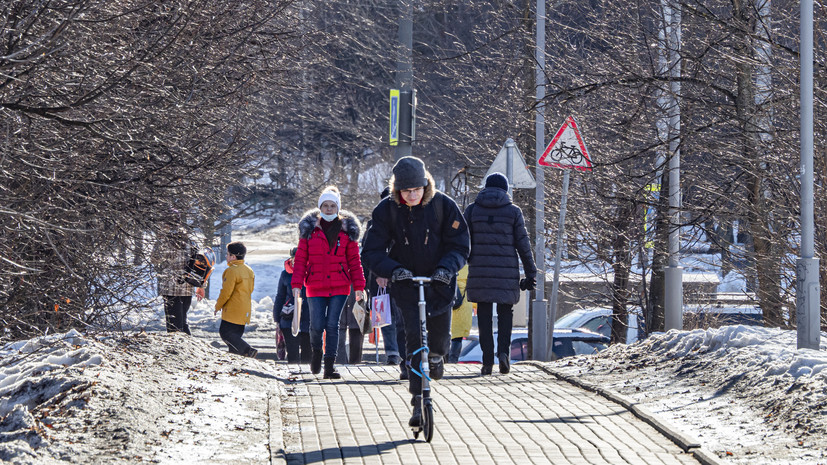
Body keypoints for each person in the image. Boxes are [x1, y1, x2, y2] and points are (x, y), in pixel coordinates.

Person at [362, 156, 470, 428]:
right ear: (397, 190)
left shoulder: (443, 206)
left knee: (438, 340)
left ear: (426, 186)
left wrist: (447, 269)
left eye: (416, 190)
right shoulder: (387, 210)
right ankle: (417, 401)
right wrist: (392, 269)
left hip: (439, 283)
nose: (411, 195)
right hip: (407, 284)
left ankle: (437, 357)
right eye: (405, 191)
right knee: (412, 343)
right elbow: (372, 250)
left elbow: (460, 245)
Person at [464, 172, 537, 375]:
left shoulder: (472, 211)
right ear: (505, 190)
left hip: (480, 271)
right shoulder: (513, 212)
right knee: (506, 313)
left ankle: (487, 361)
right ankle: (503, 353)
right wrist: (531, 273)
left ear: (485, 188)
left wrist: (465, 261)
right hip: (506, 272)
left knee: (485, 315)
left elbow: (462, 240)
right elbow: (523, 244)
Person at [292, 186, 367, 379]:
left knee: (332, 325)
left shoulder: (347, 232)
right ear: (320, 207)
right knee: (316, 325)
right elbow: (300, 259)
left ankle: (329, 366)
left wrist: (359, 287)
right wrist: (296, 284)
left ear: (338, 208)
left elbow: (354, 261)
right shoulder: (309, 231)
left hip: (340, 286)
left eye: (332, 206)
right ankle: (317, 352)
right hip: (315, 285)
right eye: (325, 205)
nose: (328, 209)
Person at [361, 187, 405, 374]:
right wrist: (376, 274)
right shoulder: (374, 224)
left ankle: (397, 352)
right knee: (387, 315)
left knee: (396, 315)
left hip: (396, 276)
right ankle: (394, 353)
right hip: (381, 278)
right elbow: (368, 254)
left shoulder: (405, 221)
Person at [151, 215, 205, 335]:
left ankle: (180, 350)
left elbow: (155, 259)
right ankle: (190, 348)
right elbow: (199, 264)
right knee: (182, 322)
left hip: (171, 288)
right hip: (187, 287)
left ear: (166, 224)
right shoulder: (190, 240)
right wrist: (201, 285)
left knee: (173, 325)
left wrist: (158, 242)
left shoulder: (164, 240)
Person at [214, 241, 257, 358]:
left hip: (233, 309)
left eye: (227, 254)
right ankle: (234, 360)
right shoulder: (248, 270)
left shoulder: (232, 270)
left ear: (233, 257)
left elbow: (226, 292)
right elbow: (251, 289)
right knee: (235, 338)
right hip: (245, 308)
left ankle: (248, 350)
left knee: (225, 333)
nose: (226, 257)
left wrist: (218, 306)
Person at [273, 247, 311, 364]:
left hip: (309, 317)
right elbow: (280, 296)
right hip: (289, 316)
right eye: (295, 258)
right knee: (292, 352)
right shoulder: (285, 274)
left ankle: (306, 375)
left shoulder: (312, 273)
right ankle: (293, 372)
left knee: (308, 352)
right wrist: (277, 317)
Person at [448, 265, 473, 363]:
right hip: (463, 304)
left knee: (443, 334)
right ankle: (452, 361)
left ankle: (442, 360)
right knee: (458, 337)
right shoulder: (467, 265)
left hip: (446, 300)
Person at [336, 288, 365, 364]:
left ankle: (354, 361)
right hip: (337, 286)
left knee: (357, 324)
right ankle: (340, 360)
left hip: (357, 287)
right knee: (338, 326)